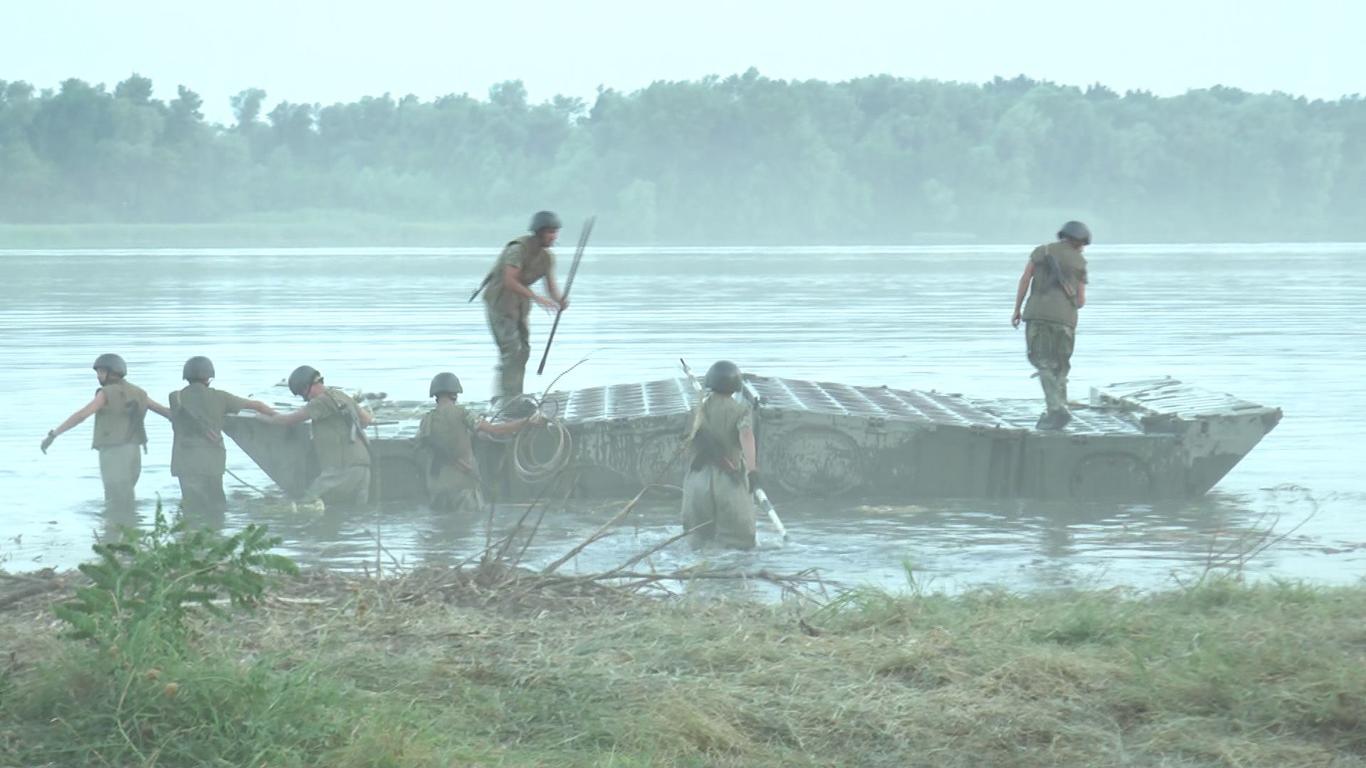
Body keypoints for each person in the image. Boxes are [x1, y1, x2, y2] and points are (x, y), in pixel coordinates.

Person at [39, 353, 171, 508]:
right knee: (127, 496)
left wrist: (54, 434)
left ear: (112, 372)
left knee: (115, 500)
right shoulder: (139, 393)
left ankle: (116, 528)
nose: (98, 376)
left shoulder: (105, 393)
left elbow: (82, 415)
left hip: (113, 453)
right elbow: (164, 412)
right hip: (134, 453)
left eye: (101, 372)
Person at [476, 210, 568, 406]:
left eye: (555, 232)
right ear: (539, 232)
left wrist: (560, 300)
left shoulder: (546, 258)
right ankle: (507, 399)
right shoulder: (517, 249)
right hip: (500, 303)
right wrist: (536, 298)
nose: (554, 236)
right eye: (550, 232)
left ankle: (515, 395)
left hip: (519, 306)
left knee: (524, 350)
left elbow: (551, 286)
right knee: (511, 349)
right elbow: (510, 280)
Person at [416, 372, 540, 512]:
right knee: (468, 526)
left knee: (442, 527)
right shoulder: (462, 413)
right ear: (454, 394)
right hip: (463, 484)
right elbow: (495, 430)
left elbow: (426, 444)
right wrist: (527, 422)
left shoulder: (426, 420)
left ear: (435, 396)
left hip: (437, 487)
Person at [168, 356, 278, 513]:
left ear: (186, 376)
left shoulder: (175, 397)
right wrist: (280, 418)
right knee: (217, 507)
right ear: (209, 377)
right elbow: (256, 405)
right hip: (212, 462)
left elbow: (173, 414)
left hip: (186, 463)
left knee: (191, 508)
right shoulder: (221, 397)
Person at [1011, 220, 1091, 430]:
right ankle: (1059, 407)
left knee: (1043, 362)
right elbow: (1081, 301)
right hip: (1066, 321)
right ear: (1080, 242)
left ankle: (1056, 409)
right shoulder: (1080, 263)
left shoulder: (1042, 251)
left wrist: (1017, 309)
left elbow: (1025, 280)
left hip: (1038, 316)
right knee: (1061, 367)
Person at [264, 365, 373, 511]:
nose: (305, 399)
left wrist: (263, 418)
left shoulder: (321, 401)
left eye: (302, 394)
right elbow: (366, 420)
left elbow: (289, 420)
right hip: (363, 467)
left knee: (306, 506)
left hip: (340, 470)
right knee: (355, 515)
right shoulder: (341, 396)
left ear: (307, 387)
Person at [682, 360, 759, 550]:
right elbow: (746, 435)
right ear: (735, 387)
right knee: (739, 544)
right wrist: (752, 470)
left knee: (697, 542)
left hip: (697, 480)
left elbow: (687, 441)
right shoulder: (741, 410)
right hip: (730, 480)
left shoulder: (698, 409)